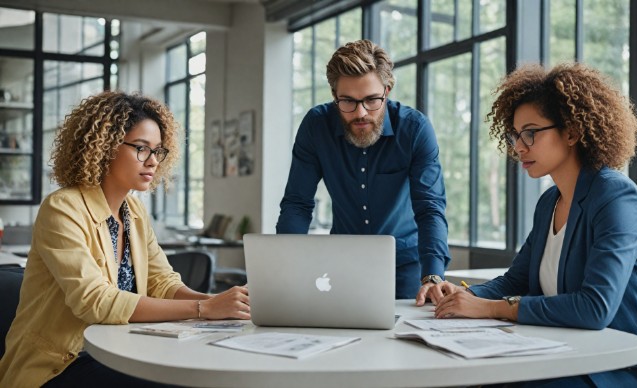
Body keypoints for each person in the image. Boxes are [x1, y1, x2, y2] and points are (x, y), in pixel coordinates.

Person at [433, 63, 637, 386]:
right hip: (571, 354)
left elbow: (595, 308)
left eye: (531, 133)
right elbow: (515, 280)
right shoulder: (549, 202)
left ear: (572, 132)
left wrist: (490, 308)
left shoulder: (616, 197)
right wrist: (462, 298)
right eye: (515, 135)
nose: (519, 146)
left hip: (633, 369)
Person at [0, 91, 250, 387]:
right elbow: (96, 301)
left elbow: (162, 282)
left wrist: (222, 304)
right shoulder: (63, 208)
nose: (153, 161)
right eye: (141, 148)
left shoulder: (134, 212)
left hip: (120, 351)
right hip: (61, 364)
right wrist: (205, 309)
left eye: (158, 151)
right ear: (104, 147)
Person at [276, 39, 451, 300]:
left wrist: (433, 275)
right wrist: (283, 269)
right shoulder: (316, 127)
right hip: (341, 264)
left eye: (371, 100)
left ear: (387, 90)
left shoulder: (414, 129)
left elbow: (429, 208)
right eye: (347, 101)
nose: (360, 113)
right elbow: (297, 203)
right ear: (334, 95)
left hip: (405, 265)